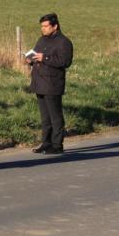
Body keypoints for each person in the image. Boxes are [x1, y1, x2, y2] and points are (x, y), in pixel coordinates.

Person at [26, 13, 73, 155]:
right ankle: (46, 143)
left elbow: (65, 62)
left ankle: (57, 145)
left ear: (55, 26)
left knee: (55, 116)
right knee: (45, 117)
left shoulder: (64, 42)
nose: (43, 29)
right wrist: (31, 59)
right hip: (39, 83)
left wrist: (44, 57)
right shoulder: (41, 40)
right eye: (42, 26)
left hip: (53, 83)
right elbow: (36, 55)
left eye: (46, 26)